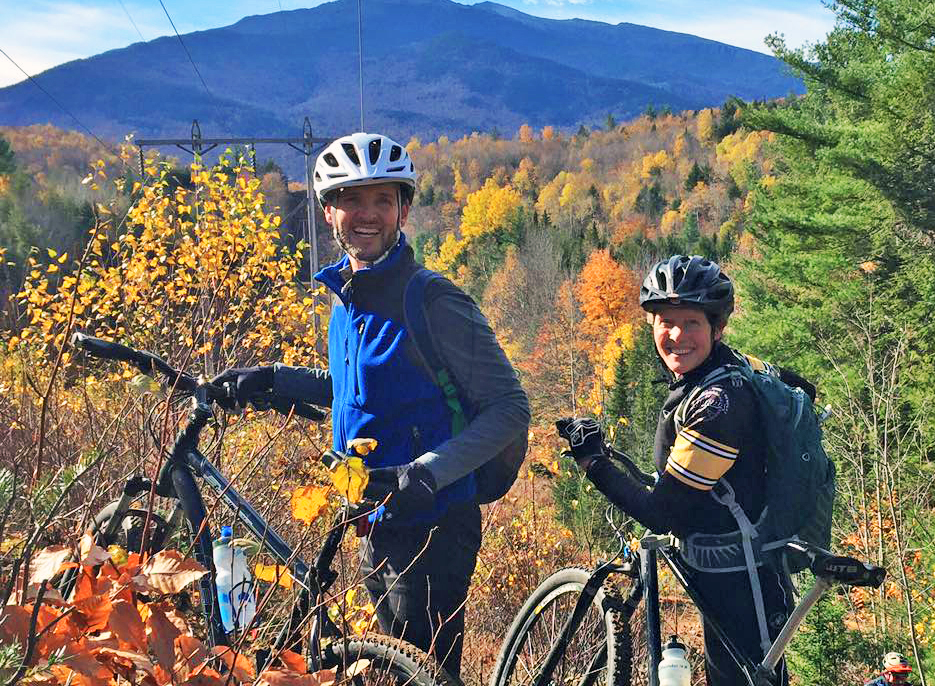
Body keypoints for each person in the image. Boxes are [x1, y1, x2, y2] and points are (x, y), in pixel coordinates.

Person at [214, 132, 530, 678]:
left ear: (403, 210)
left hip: (432, 524)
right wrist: (272, 380)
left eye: (382, 200)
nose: (367, 214)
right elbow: (353, 387)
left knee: (421, 672)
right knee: (387, 669)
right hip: (372, 516)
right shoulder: (348, 299)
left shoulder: (433, 300)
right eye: (351, 199)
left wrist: (426, 473)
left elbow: (510, 408)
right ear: (328, 211)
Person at [556, 254, 816, 686]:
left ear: (716, 327)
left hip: (742, 580)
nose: (676, 335)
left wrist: (593, 463)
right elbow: (800, 387)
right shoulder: (725, 368)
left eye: (691, 323)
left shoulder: (718, 403)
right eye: (665, 321)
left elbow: (664, 513)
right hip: (722, 568)